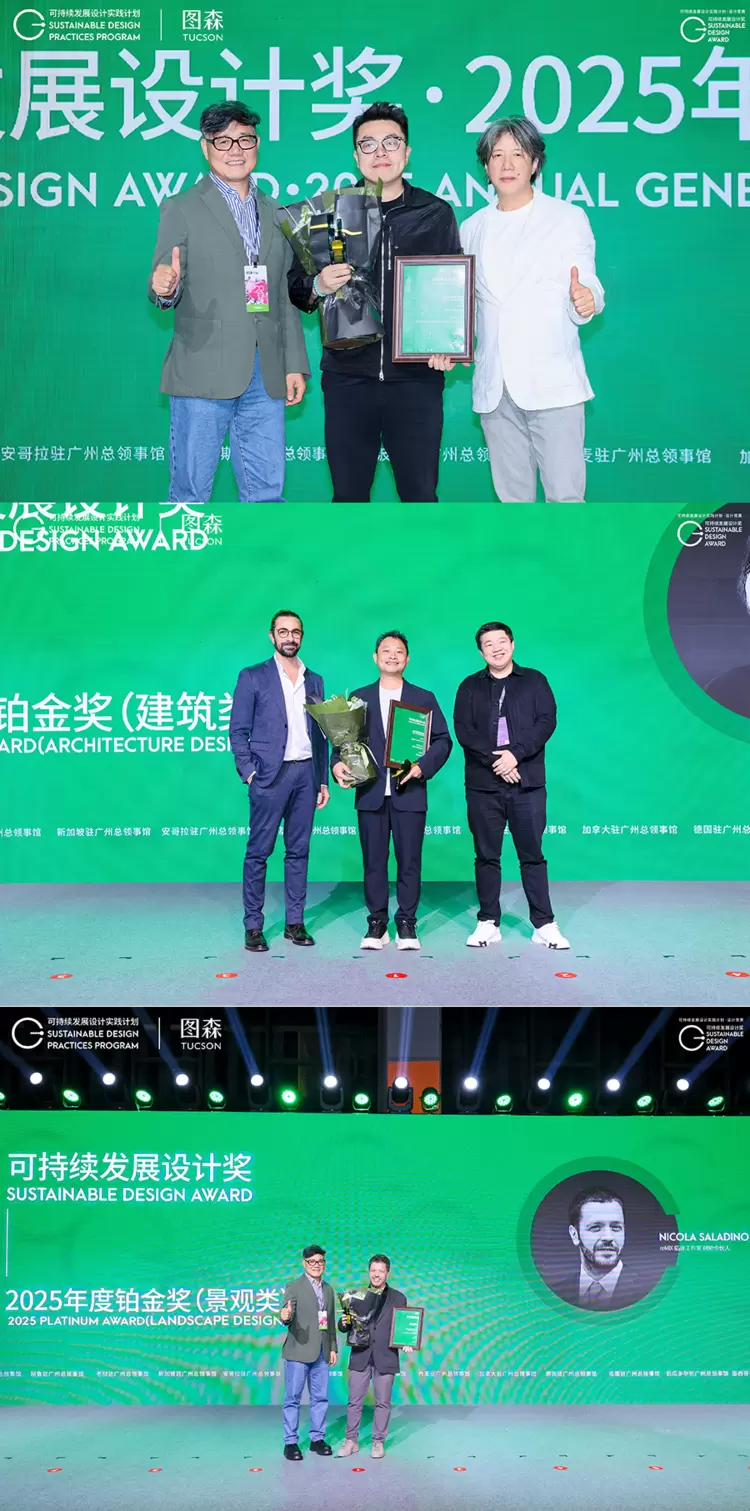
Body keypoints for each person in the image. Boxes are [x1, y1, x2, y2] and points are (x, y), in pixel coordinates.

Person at [287, 102, 462, 503]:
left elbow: (451, 291)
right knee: (348, 497)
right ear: (355, 155)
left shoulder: (435, 213)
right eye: (368, 144)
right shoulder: (327, 212)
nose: (380, 152)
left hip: (416, 381)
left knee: (420, 496)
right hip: (348, 378)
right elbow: (296, 288)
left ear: (407, 152)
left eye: (391, 142)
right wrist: (319, 284)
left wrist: (448, 344)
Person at [148, 101, 308, 503]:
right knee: (191, 492)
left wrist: (294, 364)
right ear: (205, 148)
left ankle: (261, 548)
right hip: (202, 367)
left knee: (266, 491)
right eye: (222, 141)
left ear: (257, 145)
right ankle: (185, 547)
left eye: (244, 139)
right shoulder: (181, 207)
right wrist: (164, 288)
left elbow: (282, 296)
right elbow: (165, 275)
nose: (235, 150)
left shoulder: (277, 211)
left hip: (266, 370)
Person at [456, 116, 605, 502]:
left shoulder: (567, 218)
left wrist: (587, 299)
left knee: (565, 499)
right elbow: (464, 306)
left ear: (535, 162)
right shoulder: (470, 228)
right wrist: (450, 343)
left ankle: (569, 549)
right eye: (497, 156)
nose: (507, 165)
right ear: (485, 165)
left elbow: (586, 279)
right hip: (495, 387)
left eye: (518, 154)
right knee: (512, 502)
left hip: (551, 383)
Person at [331, 631, 452, 950]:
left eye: (399, 651)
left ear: (407, 659)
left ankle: (407, 923)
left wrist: (422, 766)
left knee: (409, 861)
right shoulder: (358, 698)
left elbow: (443, 740)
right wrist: (336, 764)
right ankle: (377, 923)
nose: (392, 656)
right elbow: (344, 742)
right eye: (386, 650)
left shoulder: (423, 697)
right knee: (373, 861)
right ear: (375, 657)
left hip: (409, 793)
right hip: (370, 793)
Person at [453, 621, 569, 949]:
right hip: (483, 786)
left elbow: (547, 721)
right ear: (481, 652)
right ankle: (488, 921)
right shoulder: (469, 686)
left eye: (501, 641)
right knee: (486, 856)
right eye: (488, 644)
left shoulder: (534, 680)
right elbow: (463, 730)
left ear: (513, 644)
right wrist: (497, 762)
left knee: (532, 856)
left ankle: (544, 924)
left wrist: (515, 755)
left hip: (526, 784)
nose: (497, 648)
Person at [229, 611, 329, 952]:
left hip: (306, 775)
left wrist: (322, 780)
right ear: (272, 636)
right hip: (269, 776)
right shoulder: (253, 676)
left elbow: (321, 733)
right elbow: (238, 730)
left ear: (302, 637)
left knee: (299, 851)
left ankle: (294, 923)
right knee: (259, 852)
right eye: (283, 632)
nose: (290, 637)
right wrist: (249, 771)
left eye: (296, 632)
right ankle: (253, 925)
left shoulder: (314, 680)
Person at [336, 1254, 408, 1460]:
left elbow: (403, 1327)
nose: (376, 1275)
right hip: (361, 1355)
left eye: (381, 1271)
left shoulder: (399, 1298)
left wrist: (407, 1341)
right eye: (373, 1270)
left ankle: (378, 1442)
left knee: (383, 1402)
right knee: (354, 1402)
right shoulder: (356, 1295)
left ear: (387, 1273)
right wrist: (344, 1322)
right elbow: (343, 1326)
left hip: (386, 1356)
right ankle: (351, 1441)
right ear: (369, 1272)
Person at [279, 1244, 337, 1459]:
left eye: (320, 1261)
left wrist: (333, 1347)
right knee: (293, 1398)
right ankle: (290, 1442)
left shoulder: (329, 1289)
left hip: (322, 1352)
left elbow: (329, 1321)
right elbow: (286, 1313)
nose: (316, 1265)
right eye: (312, 1262)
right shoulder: (294, 1286)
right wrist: (284, 1316)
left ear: (325, 1264)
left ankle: (317, 1439)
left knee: (320, 1398)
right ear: (304, 1263)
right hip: (298, 1351)